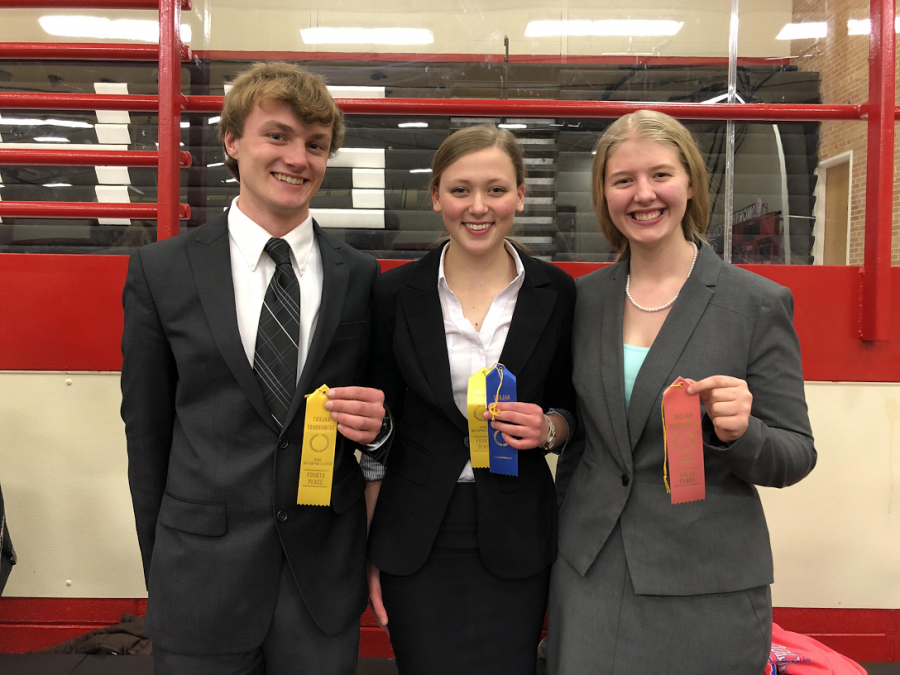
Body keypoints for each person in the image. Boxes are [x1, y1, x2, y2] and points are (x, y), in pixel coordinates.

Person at [120, 62, 389, 675]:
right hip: (200, 580)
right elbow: (147, 434)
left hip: (320, 582)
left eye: (315, 145)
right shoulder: (161, 273)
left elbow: (380, 422)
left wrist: (381, 424)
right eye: (278, 135)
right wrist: (162, 567)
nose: (298, 158)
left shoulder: (360, 277)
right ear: (233, 141)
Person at [548, 110, 817, 675]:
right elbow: (585, 437)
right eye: (623, 180)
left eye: (661, 175)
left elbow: (795, 454)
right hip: (591, 571)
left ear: (690, 182)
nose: (643, 194)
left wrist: (742, 433)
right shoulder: (585, 300)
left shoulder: (755, 303)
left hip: (705, 582)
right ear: (604, 193)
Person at [364, 124, 576, 675]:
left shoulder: (556, 292)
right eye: (460, 190)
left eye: (496, 189)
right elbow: (379, 430)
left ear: (521, 196)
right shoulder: (393, 293)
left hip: (516, 527)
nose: (478, 207)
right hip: (417, 533)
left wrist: (549, 428)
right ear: (436, 196)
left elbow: (570, 408)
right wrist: (372, 544)